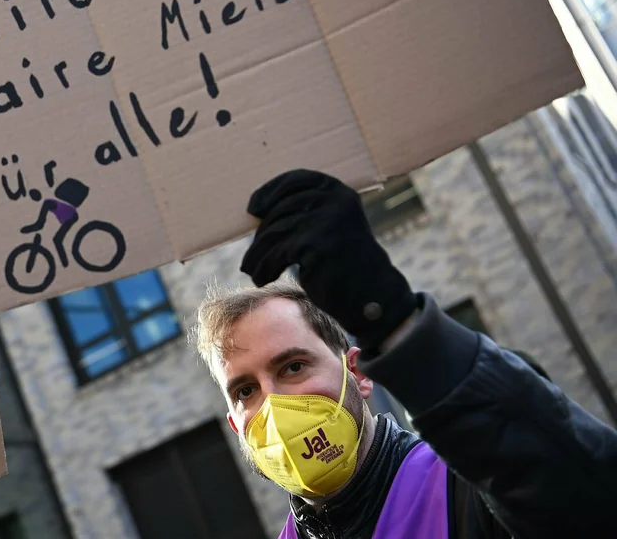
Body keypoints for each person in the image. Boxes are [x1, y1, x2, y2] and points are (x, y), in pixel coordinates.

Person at [192, 169, 616, 537]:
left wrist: (397, 326)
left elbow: (582, 499)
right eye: (245, 391)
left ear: (357, 374)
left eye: (293, 366)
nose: (275, 403)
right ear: (235, 427)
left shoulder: (471, 487)